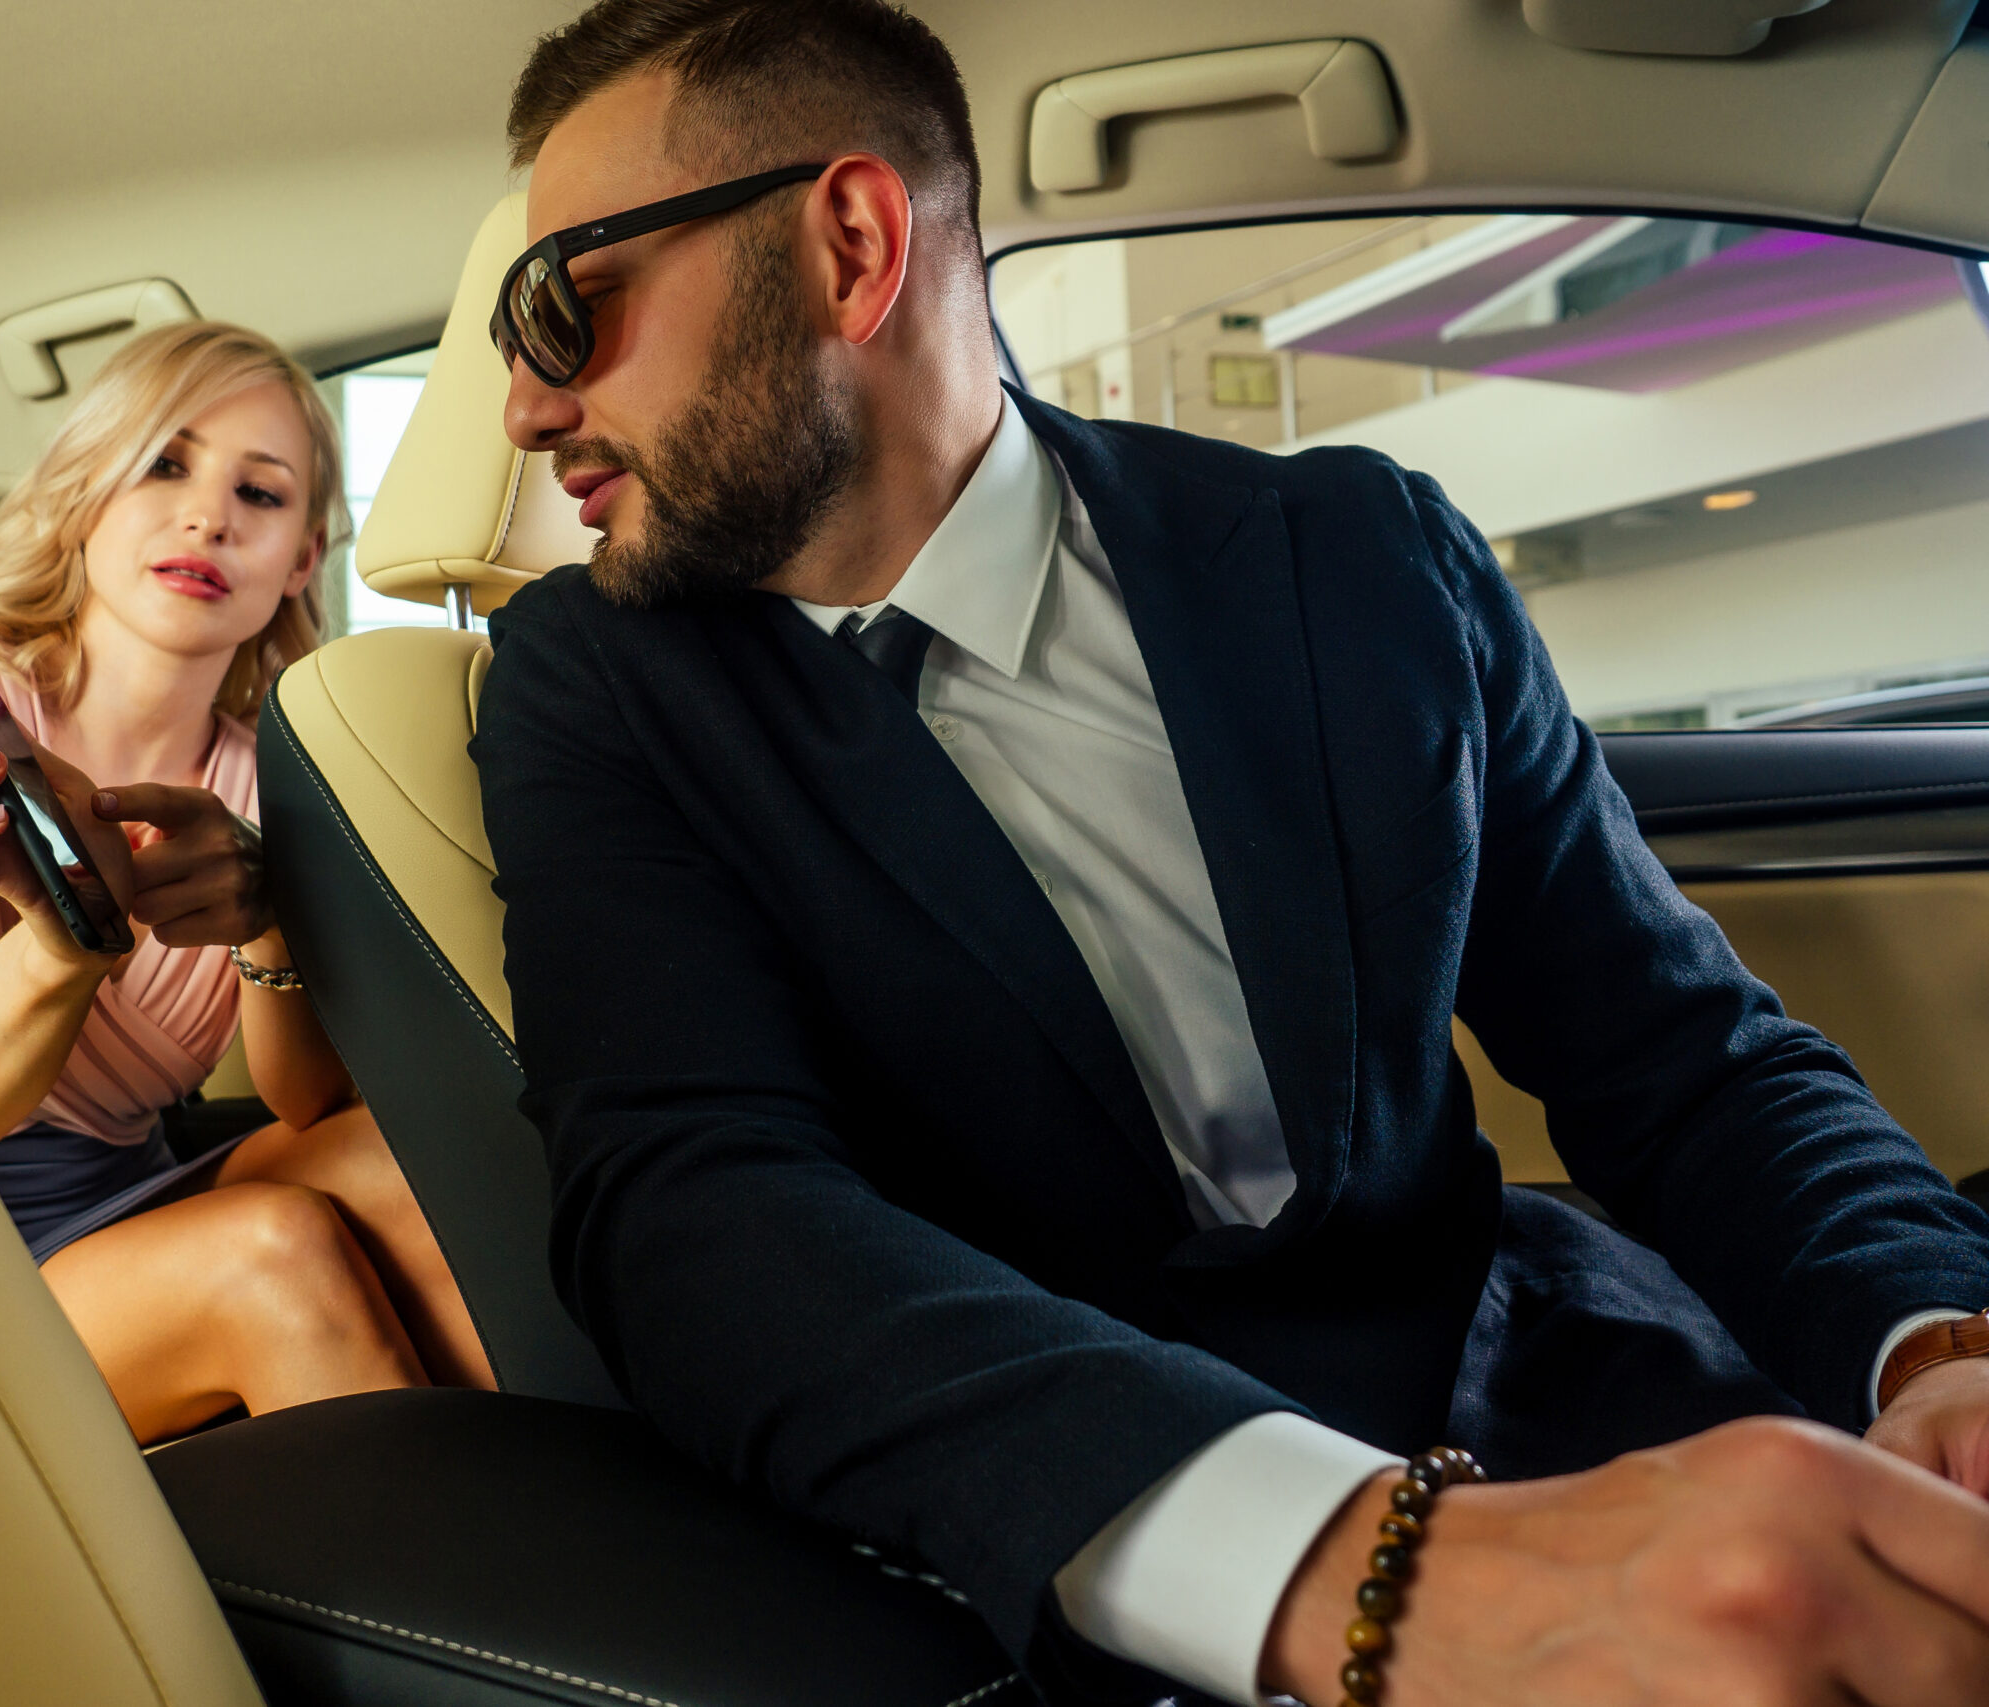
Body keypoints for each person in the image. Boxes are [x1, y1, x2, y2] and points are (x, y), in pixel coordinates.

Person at [466, 3, 1989, 1704]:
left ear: (851, 246)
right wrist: (1387, 1571)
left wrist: (1934, 1347)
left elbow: (1684, 1061)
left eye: (565, 308)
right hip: (1105, 1537)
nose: (525, 404)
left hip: (1577, 1378)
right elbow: (698, 1206)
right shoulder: (595, 692)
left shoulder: (1363, 555)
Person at [0, 320, 492, 1444]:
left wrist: (268, 924)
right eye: (165, 465)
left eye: (260, 494)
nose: (209, 517)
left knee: (422, 1163)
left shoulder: (281, 780)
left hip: (124, 1200)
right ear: (88, 495)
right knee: (271, 1252)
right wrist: (66, 935)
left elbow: (303, 1105)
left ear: (301, 558)